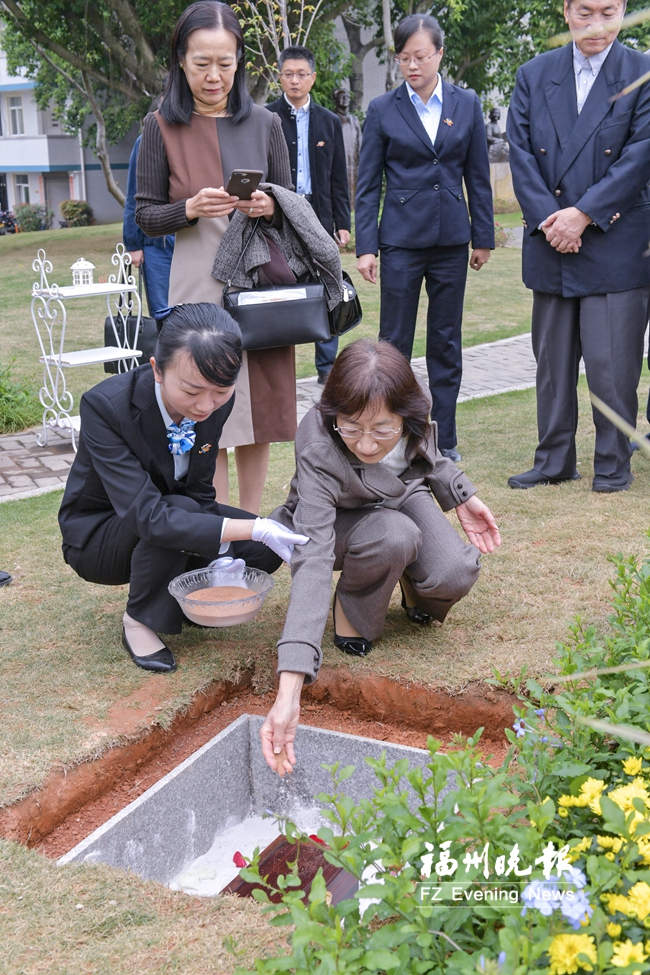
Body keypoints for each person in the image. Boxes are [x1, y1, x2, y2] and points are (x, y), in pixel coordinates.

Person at [259, 339, 501, 775]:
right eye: (351, 428)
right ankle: (354, 610)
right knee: (394, 534)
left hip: (401, 494)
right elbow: (312, 561)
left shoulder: (415, 403)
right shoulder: (317, 442)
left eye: (382, 430)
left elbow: (426, 453)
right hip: (338, 520)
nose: (367, 444)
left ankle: (411, 583)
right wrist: (289, 689)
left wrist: (461, 494)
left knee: (455, 571)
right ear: (333, 414)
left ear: (404, 414)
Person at [58, 303, 308, 675]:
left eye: (221, 391)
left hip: (173, 510)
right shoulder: (106, 407)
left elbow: (200, 492)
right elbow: (150, 516)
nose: (206, 405)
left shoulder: (215, 399)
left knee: (264, 550)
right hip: (100, 536)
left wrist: (226, 549)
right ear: (157, 368)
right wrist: (246, 527)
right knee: (190, 515)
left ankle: (187, 594)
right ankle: (139, 622)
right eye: (192, 390)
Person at [135, 0, 295, 514]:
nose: (214, 75)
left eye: (225, 63)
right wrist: (188, 208)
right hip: (197, 282)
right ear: (181, 60)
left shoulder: (267, 123)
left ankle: (251, 521)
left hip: (258, 280)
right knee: (206, 402)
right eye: (202, 62)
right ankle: (218, 524)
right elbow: (145, 215)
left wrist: (270, 204)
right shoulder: (159, 125)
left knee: (260, 408)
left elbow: (292, 206)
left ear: (240, 61)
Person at [506, 0, 650, 493]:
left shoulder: (642, 72)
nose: (597, 24)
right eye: (584, 12)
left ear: (624, 9)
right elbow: (520, 152)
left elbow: (639, 156)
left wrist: (583, 214)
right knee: (552, 364)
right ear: (566, 11)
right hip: (551, 240)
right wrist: (553, 219)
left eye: (608, 11)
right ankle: (553, 460)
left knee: (612, 367)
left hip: (614, 240)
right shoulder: (533, 73)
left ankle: (612, 462)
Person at [355, 13, 494, 465]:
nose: (412, 65)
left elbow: (478, 174)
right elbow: (367, 184)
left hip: (452, 240)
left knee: (446, 341)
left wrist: (483, 236)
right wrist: (366, 247)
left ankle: (443, 439)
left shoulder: (467, 103)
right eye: (403, 58)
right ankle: (391, 436)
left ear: (439, 54)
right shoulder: (381, 110)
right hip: (400, 241)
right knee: (393, 345)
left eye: (421, 56)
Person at [266, 45, 351, 385]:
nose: (295, 80)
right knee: (279, 285)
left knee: (328, 286)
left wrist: (342, 224)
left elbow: (338, 178)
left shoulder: (330, 122)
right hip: (279, 213)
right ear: (280, 76)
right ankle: (277, 364)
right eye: (289, 74)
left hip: (319, 213)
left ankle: (327, 368)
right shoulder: (268, 117)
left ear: (313, 78)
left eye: (302, 74)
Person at [123, 133, 175, 317]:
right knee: (164, 314)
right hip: (158, 245)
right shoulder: (146, 140)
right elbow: (134, 195)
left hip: (197, 238)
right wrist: (133, 244)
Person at [333, 87, 362, 211]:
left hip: (353, 161)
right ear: (336, 100)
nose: (345, 99)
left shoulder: (354, 120)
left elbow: (360, 141)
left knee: (353, 188)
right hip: (338, 162)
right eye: (341, 97)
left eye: (347, 97)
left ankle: (352, 213)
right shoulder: (332, 118)